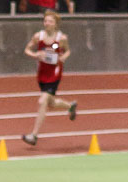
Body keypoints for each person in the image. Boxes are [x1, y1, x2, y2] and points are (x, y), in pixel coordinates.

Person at [22, 11, 76, 148]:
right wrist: (35, 55)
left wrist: (64, 57)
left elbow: (68, 50)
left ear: (56, 23)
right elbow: (27, 50)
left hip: (54, 74)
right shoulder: (38, 36)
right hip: (42, 74)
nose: (47, 24)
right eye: (46, 21)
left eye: (50, 21)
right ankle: (70, 106)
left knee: (42, 101)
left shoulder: (61, 38)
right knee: (50, 103)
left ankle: (33, 135)